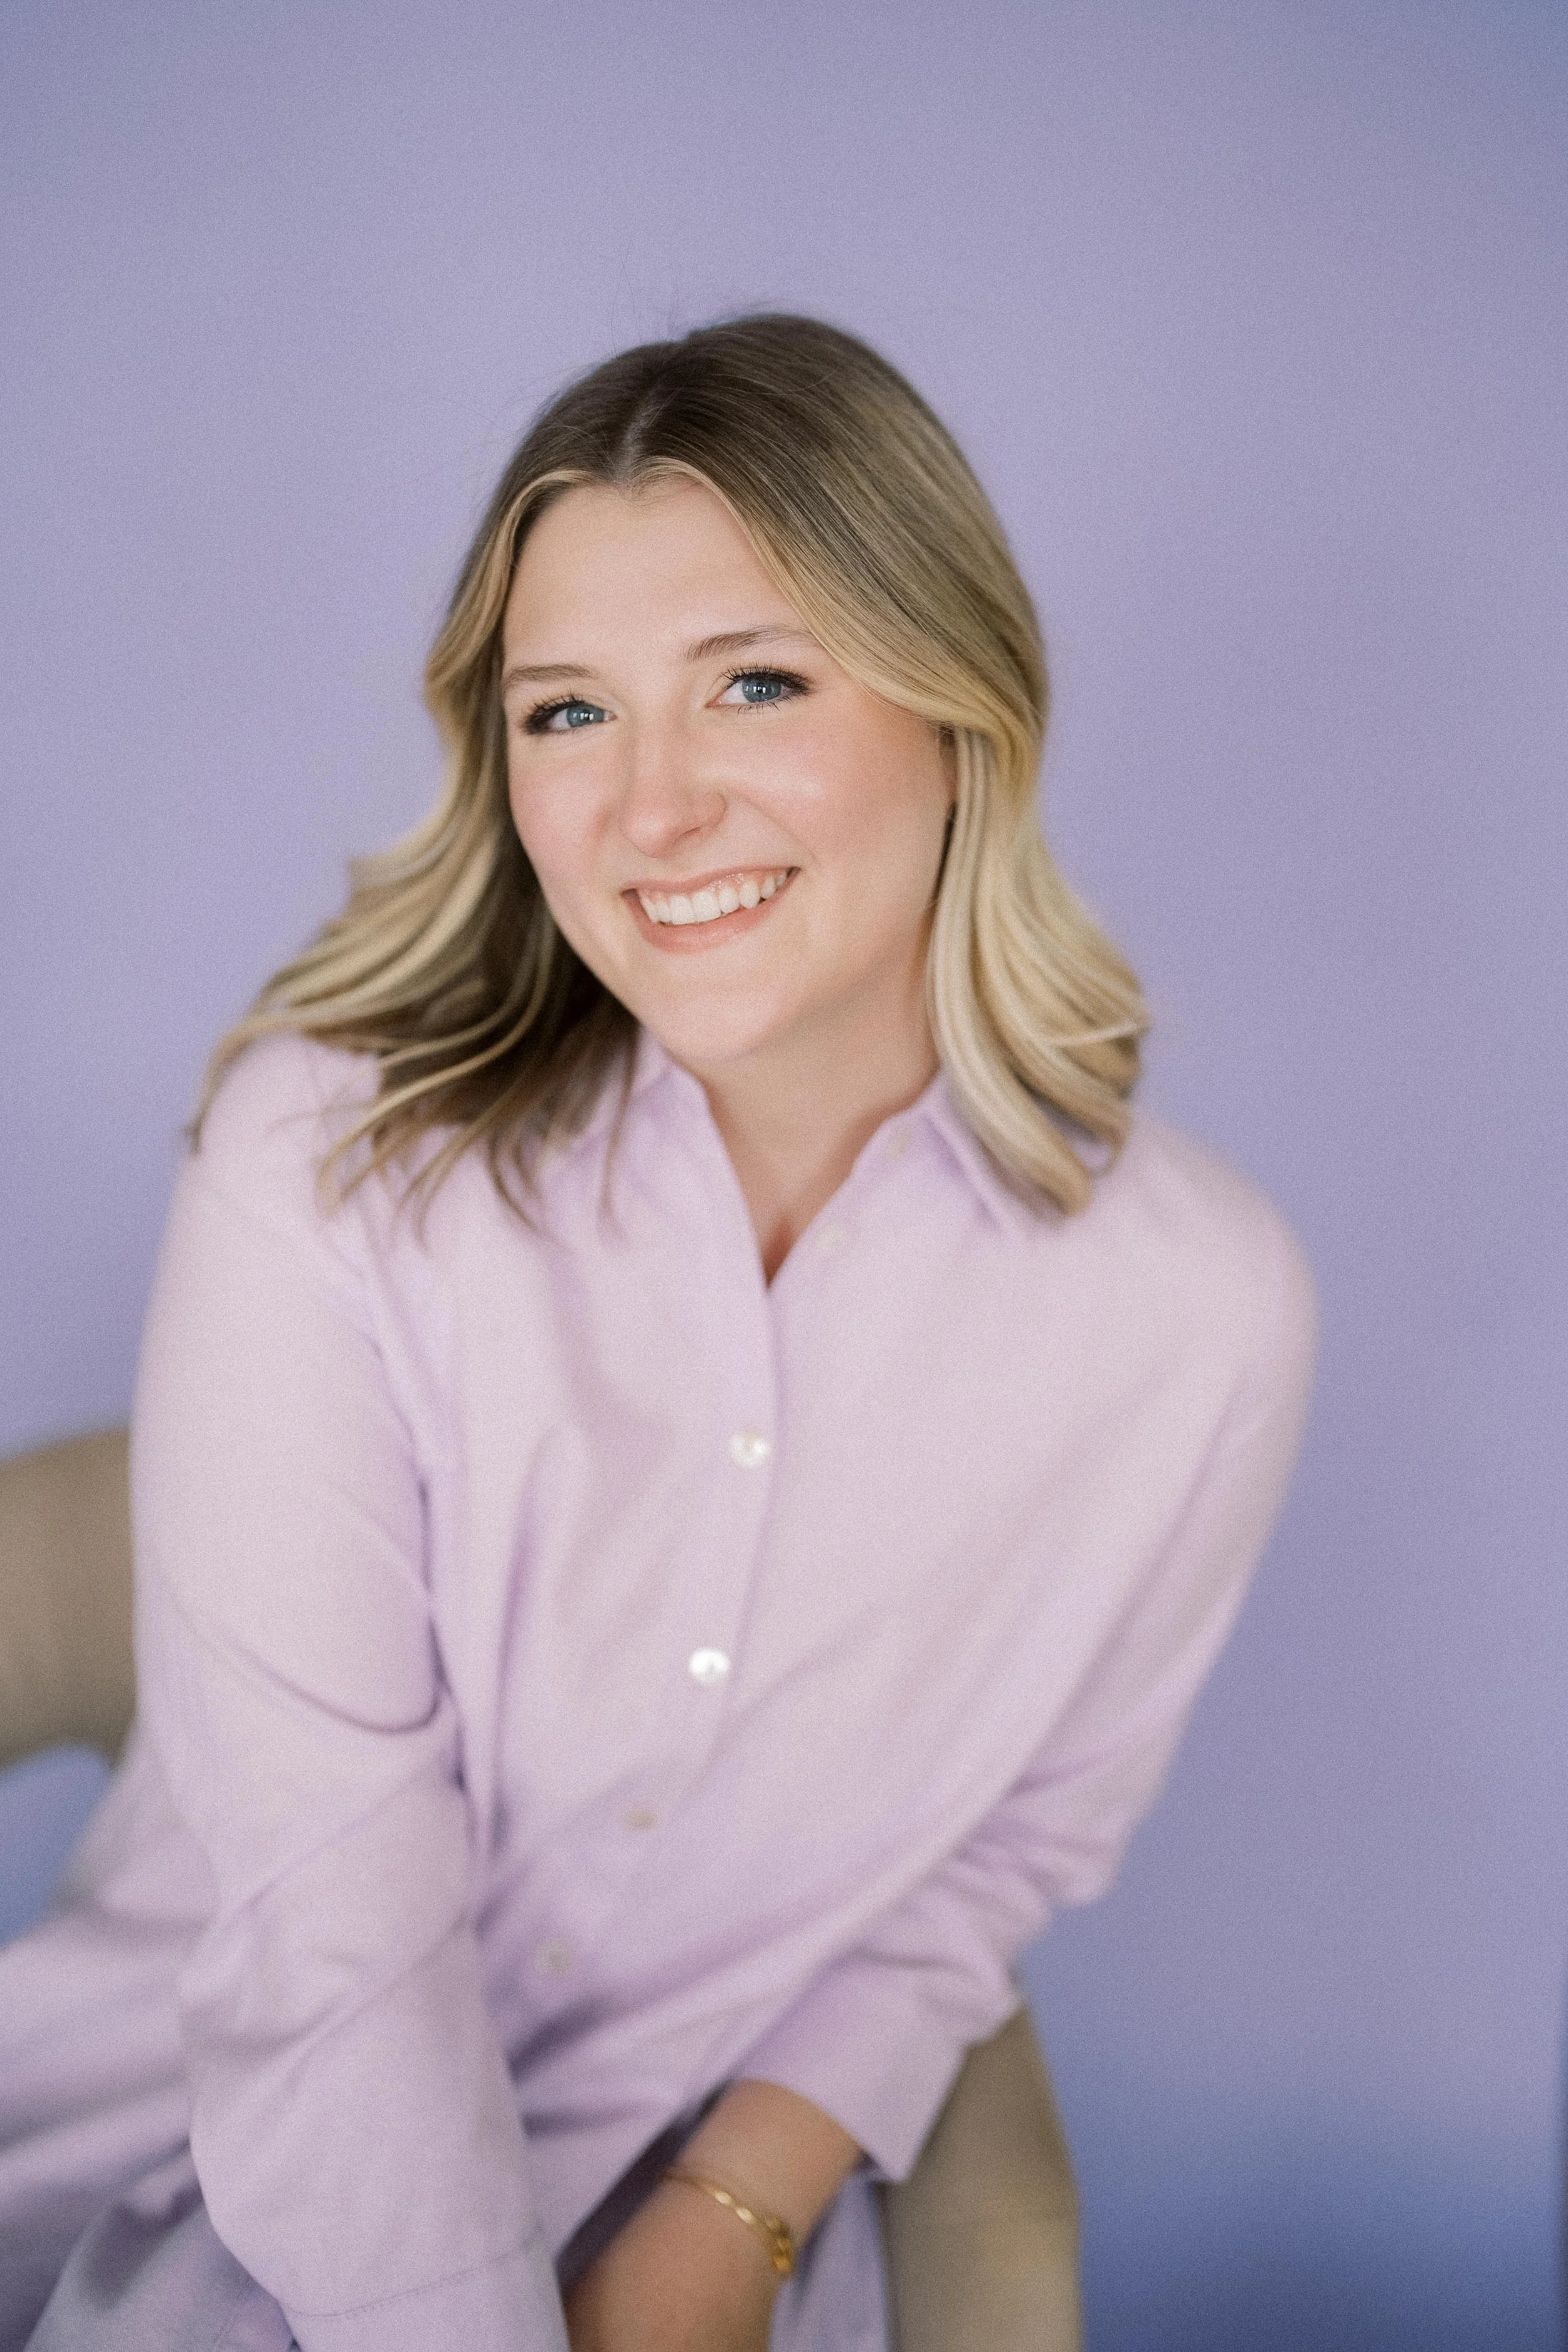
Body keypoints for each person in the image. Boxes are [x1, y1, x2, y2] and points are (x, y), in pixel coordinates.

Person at [0, 314, 1315, 2352]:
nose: (650, 811)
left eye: (756, 685)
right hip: (163, 2154)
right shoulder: (327, 1156)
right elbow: (331, 1928)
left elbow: (996, 1858)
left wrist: (730, 2213)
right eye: (567, 714)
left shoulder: (1195, 1320)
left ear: (962, 705)